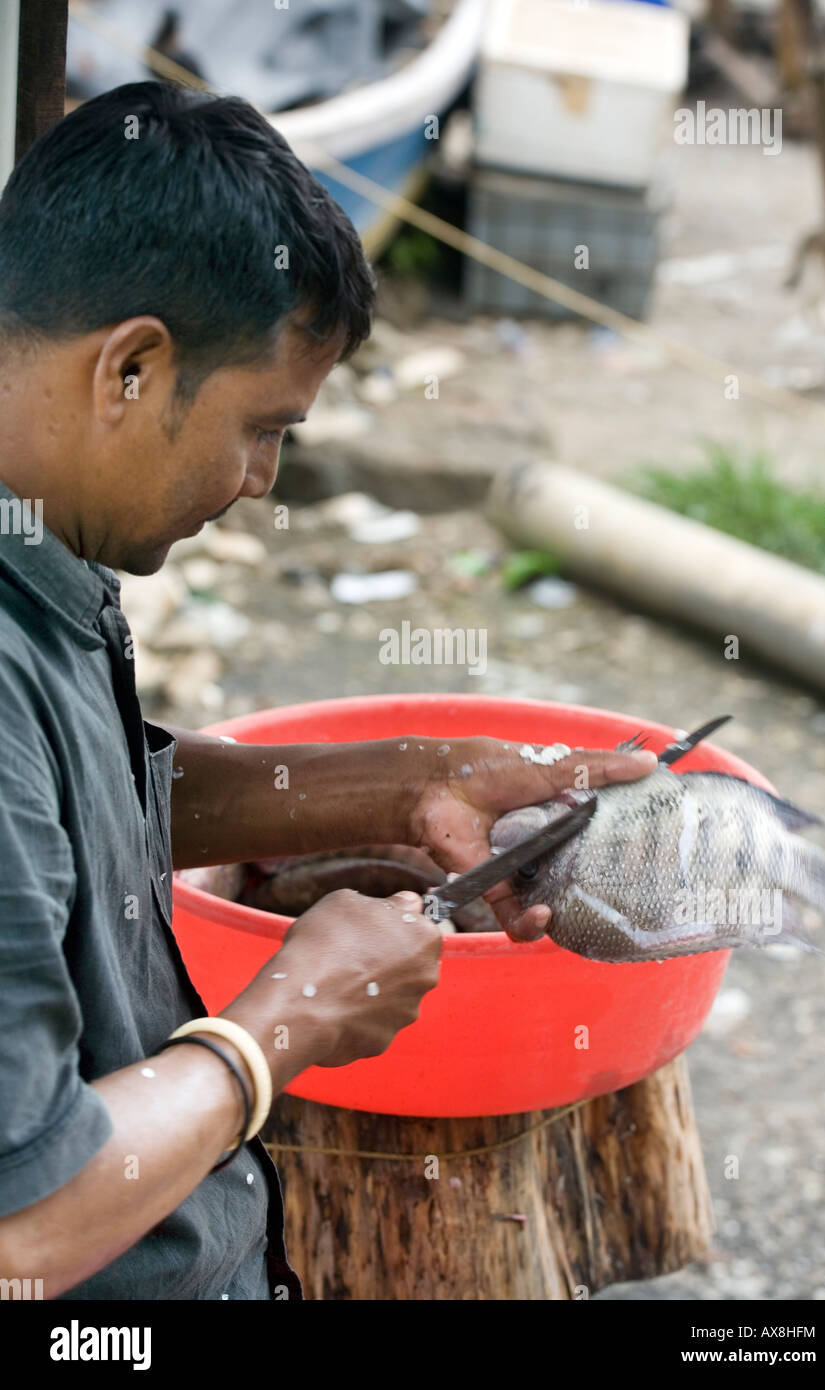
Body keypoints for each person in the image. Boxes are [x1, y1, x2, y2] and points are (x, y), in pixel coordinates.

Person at [0, 82, 657, 1300]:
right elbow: (23, 1226)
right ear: (131, 370)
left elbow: (81, 812)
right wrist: (286, 1019)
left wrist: (417, 783)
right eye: (263, 427)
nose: (260, 482)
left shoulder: (40, 546)